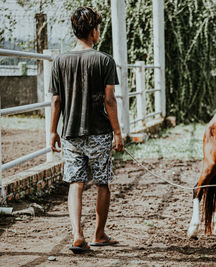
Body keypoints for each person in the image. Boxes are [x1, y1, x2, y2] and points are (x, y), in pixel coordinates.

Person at [49, 6, 124, 254]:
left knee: (75, 183)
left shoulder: (59, 61)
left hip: (70, 133)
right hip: (100, 132)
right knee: (102, 182)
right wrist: (117, 132)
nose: (99, 32)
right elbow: (110, 100)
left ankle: (77, 235)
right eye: (98, 28)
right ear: (92, 31)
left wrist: (52, 131)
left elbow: (56, 101)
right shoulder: (104, 60)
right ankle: (99, 234)